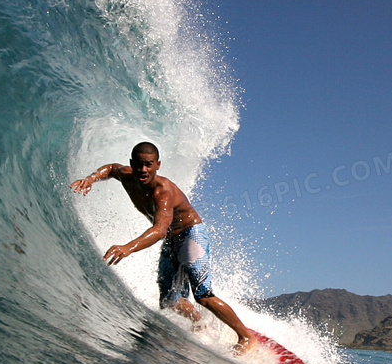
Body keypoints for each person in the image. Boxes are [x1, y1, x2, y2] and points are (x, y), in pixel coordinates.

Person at [70, 142, 257, 352]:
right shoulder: (127, 175)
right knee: (169, 300)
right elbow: (112, 168)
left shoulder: (162, 192)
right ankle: (199, 321)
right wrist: (92, 178)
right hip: (171, 239)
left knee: (203, 295)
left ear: (158, 165)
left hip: (190, 234)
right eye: (139, 164)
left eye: (149, 164)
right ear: (132, 164)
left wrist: (128, 247)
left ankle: (246, 337)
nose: (143, 170)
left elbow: (159, 230)